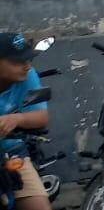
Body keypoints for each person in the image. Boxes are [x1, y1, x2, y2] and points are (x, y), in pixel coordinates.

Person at [0, 32, 51, 210]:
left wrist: (17, 118)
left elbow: (41, 117)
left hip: (12, 152)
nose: (26, 66)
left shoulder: (28, 75)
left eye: (28, 60)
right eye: (17, 62)